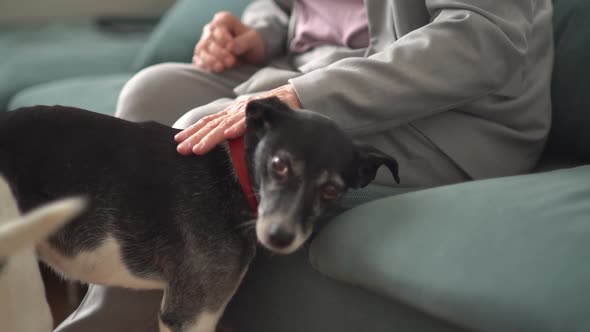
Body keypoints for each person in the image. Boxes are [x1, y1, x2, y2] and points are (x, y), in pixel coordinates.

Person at [55, 0, 554, 331]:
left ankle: (108, 326)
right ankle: (118, 304)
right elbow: (294, 9)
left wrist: (299, 94)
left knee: (198, 137)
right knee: (153, 90)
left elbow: (483, 43)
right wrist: (258, 32)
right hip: (314, 69)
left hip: (446, 114)